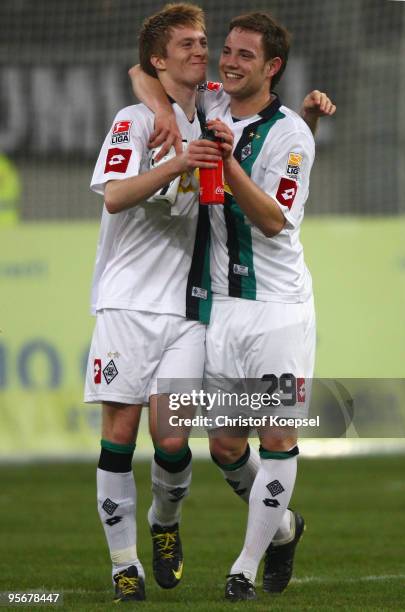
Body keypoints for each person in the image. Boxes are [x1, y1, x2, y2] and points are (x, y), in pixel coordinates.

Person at [130, 9, 336, 602]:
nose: (227, 61)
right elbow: (141, 72)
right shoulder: (211, 101)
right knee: (224, 445)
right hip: (222, 306)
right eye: (227, 50)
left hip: (278, 309)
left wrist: (227, 159)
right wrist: (171, 111)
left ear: (272, 67)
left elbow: (274, 220)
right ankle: (286, 528)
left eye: (245, 55)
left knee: (276, 438)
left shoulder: (292, 133)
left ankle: (244, 566)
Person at [83, 4, 224, 602]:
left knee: (172, 440)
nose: (202, 50)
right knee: (119, 433)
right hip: (127, 303)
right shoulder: (134, 120)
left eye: (203, 41)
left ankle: (165, 526)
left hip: (189, 307)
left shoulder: (210, 107)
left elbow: (253, 99)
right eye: (188, 44)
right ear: (160, 60)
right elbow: (115, 196)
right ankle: (123, 565)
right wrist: (175, 158)